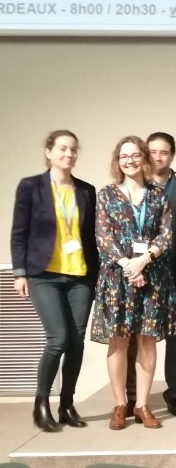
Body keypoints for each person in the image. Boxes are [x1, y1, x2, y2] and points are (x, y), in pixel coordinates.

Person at [10, 130, 99, 432]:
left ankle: (67, 405)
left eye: (73, 149)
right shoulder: (30, 187)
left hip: (80, 277)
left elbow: (91, 237)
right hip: (44, 275)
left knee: (76, 342)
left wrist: (98, 276)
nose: (68, 154)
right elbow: (19, 232)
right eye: (62, 148)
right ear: (49, 151)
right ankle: (41, 404)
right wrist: (19, 273)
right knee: (58, 339)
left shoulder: (86, 190)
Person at [90, 135, 176, 430]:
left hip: (151, 277)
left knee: (147, 340)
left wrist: (144, 260)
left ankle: (141, 405)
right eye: (124, 156)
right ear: (118, 161)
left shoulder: (158, 195)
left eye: (135, 155)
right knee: (118, 340)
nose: (129, 161)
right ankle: (120, 404)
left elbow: (166, 234)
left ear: (144, 158)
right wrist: (128, 264)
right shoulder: (107, 195)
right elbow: (103, 236)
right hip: (118, 278)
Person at [125, 132, 176, 417]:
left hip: (175, 274)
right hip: (141, 273)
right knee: (135, 336)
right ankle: (132, 396)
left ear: (172, 155)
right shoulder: (134, 187)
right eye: (152, 152)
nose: (157, 157)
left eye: (164, 152)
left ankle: (175, 395)